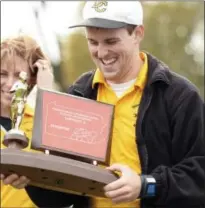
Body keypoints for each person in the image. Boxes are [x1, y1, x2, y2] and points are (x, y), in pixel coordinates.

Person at [1, 1, 205, 208]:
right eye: (93, 42)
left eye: (111, 41)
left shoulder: (179, 96)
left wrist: (146, 185)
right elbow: (61, 196)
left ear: (137, 33)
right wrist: (32, 180)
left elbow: (199, 178)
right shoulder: (78, 94)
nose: (102, 52)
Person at [0, 35, 54, 207]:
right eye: (2, 74)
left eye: (19, 75)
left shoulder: (44, 120)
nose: (9, 84)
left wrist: (46, 91)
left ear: (32, 79)